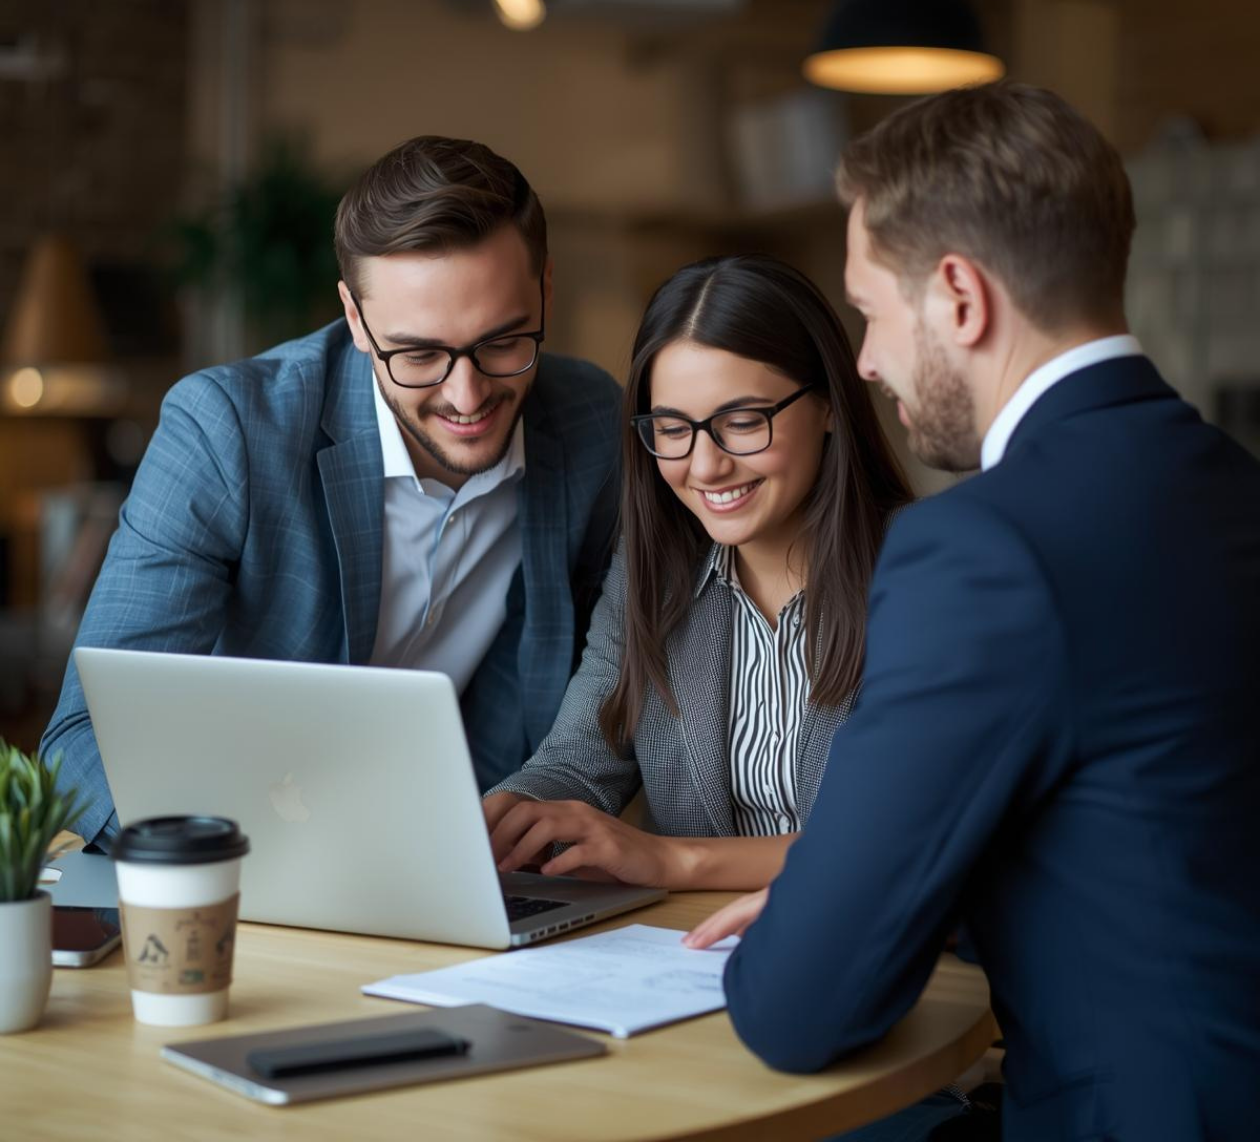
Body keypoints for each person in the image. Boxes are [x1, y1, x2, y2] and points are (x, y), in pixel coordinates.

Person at [687, 82, 1260, 1140]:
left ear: (958, 295)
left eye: (868, 308)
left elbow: (797, 1008)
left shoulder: (980, 547)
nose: (863, 358)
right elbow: (1150, 820)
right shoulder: (1231, 482)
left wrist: (827, 912)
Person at [42, 136, 623, 847]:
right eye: (419, 355)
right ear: (355, 319)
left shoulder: (591, 424)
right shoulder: (227, 432)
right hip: (238, 852)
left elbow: (616, 677)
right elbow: (82, 741)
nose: (467, 396)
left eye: (502, 342)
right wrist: (242, 861)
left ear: (545, 291)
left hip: (459, 862)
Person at [483, 254, 912, 890]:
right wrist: (499, 821)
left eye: (742, 423)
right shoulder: (654, 568)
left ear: (828, 405)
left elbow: (905, 836)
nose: (705, 467)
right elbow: (577, 764)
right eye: (672, 429)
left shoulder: (923, 569)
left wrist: (673, 861)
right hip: (691, 956)